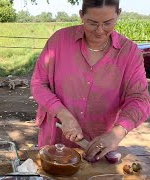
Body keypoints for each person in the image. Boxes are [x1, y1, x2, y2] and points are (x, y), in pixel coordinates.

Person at [31, 0, 150, 162]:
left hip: (98, 144)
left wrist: (118, 132)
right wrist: (63, 114)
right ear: (81, 15)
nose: (100, 31)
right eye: (92, 23)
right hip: (55, 138)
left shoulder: (129, 52)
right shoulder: (59, 41)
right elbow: (39, 84)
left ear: (118, 14)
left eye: (108, 23)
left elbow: (139, 99)